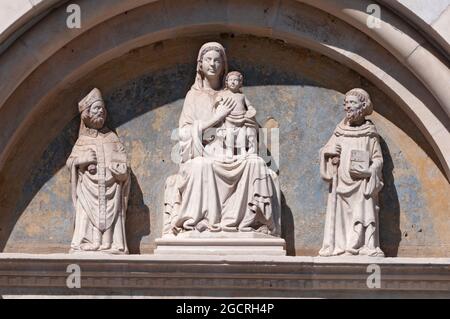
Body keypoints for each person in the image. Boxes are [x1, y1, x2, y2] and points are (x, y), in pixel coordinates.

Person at [163, 42, 280, 235]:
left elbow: (250, 126)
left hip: (234, 151)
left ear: (223, 66)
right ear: (200, 64)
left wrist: (249, 122)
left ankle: (250, 223)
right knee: (200, 166)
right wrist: (217, 118)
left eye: (217, 60)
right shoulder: (193, 96)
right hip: (207, 153)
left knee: (255, 163)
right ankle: (200, 221)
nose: (212, 64)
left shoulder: (236, 95)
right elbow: (184, 133)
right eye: (208, 60)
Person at [319, 88, 384, 257]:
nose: (348, 107)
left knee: (363, 213)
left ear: (362, 106)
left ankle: (362, 246)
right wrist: (330, 153)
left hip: (362, 185)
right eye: (346, 103)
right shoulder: (339, 131)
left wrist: (370, 171)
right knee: (340, 217)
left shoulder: (369, 134)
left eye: (352, 103)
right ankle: (339, 247)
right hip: (341, 183)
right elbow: (326, 151)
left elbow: (378, 159)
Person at [67, 88, 130, 253]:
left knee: (112, 213)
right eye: (96, 108)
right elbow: (71, 163)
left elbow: (123, 161)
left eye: (102, 108)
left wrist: (122, 171)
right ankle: (90, 242)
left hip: (112, 187)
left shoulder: (112, 138)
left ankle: (110, 244)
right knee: (88, 213)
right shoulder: (83, 140)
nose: (100, 111)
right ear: (86, 113)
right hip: (89, 189)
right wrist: (82, 160)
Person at [216, 71, 258, 158]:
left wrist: (251, 109)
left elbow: (249, 105)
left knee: (242, 134)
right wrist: (218, 101)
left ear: (240, 83)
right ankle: (229, 150)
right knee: (230, 133)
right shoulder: (224, 94)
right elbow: (217, 103)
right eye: (230, 80)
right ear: (226, 82)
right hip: (229, 118)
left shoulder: (242, 96)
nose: (232, 82)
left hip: (242, 118)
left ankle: (242, 150)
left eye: (235, 80)